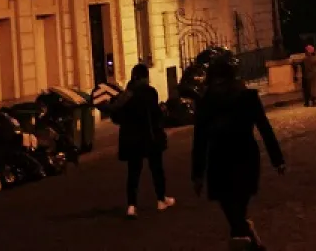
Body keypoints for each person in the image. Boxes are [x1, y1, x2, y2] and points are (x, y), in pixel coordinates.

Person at [191, 54, 285, 249]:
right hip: (245, 157)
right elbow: (264, 127)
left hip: (220, 159)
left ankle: (245, 236)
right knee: (238, 209)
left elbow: (200, 139)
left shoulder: (207, 101)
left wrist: (198, 173)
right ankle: (247, 236)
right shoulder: (245, 96)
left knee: (233, 211)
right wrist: (277, 159)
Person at [114, 64, 173, 218]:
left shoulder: (126, 95)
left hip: (131, 138)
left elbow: (117, 115)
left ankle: (131, 205)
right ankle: (161, 199)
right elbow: (154, 115)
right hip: (149, 136)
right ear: (145, 77)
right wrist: (162, 111)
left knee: (133, 173)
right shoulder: (150, 92)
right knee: (156, 169)